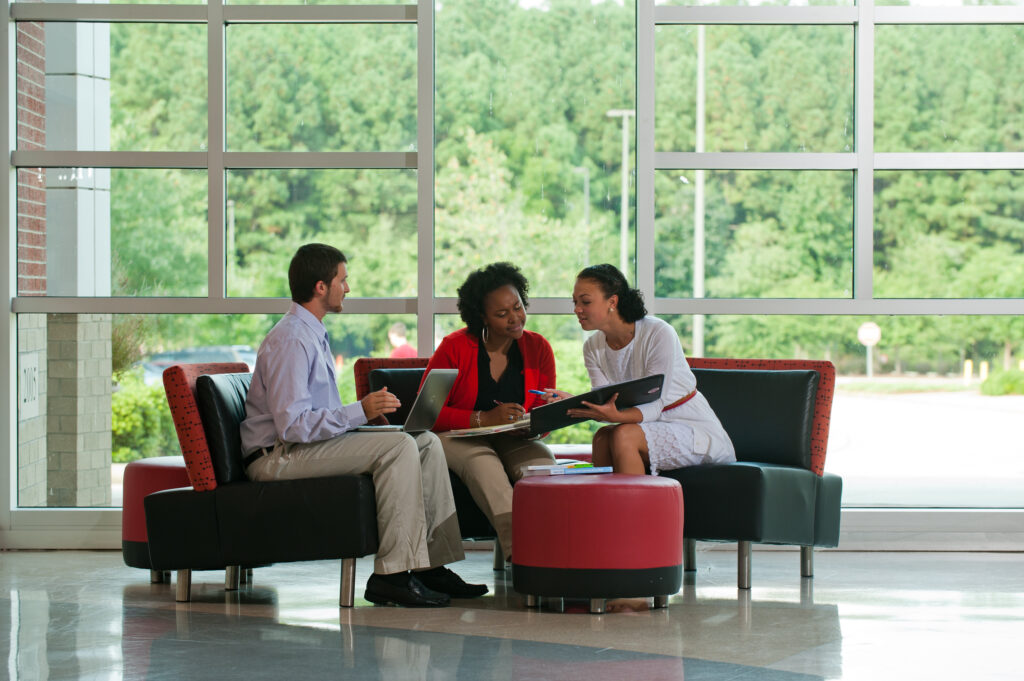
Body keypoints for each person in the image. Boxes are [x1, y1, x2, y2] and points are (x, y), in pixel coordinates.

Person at [239, 243, 487, 607]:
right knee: (399, 446)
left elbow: (315, 417)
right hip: (278, 456)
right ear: (321, 286)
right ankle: (392, 575)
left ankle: (430, 566)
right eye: (343, 279)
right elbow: (292, 426)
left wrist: (366, 419)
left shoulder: (311, 332)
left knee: (423, 442)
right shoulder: (291, 339)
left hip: (301, 448)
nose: (348, 288)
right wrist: (359, 410)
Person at [422, 262, 556, 561]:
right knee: (486, 468)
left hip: (515, 437)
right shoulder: (454, 348)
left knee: (543, 470)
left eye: (518, 307)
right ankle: (523, 558)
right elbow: (427, 414)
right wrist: (482, 419)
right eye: (502, 314)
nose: (515, 318)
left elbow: (543, 412)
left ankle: (557, 553)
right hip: (457, 436)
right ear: (481, 316)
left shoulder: (539, 348)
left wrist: (536, 423)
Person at [547, 263, 734, 475]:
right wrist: (575, 401)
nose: (577, 309)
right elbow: (606, 400)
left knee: (623, 435)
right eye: (575, 302)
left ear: (612, 302)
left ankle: (633, 508)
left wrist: (614, 415)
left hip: (689, 425)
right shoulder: (592, 347)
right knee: (601, 438)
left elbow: (655, 405)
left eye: (585, 302)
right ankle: (606, 508)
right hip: (642, 424)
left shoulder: (658, 333)